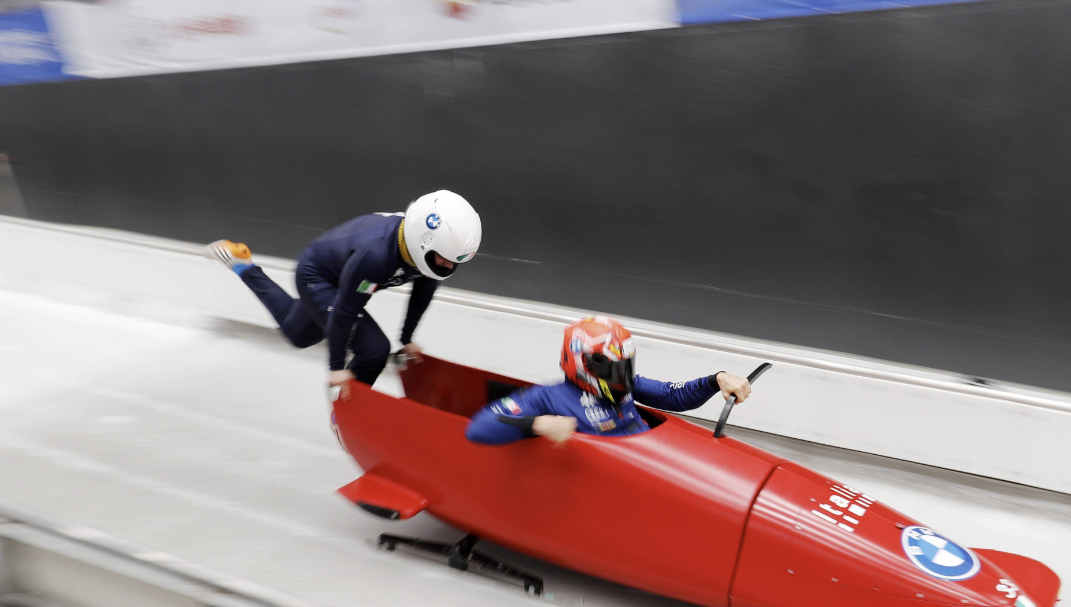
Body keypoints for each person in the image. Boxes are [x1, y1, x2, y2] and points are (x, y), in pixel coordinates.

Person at [204, 190, 481, 393]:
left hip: (344, 273)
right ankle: (348, 410)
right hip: (317, 276)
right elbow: (346, 309)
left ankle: (243, 264)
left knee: (297, 333)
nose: (449, 266)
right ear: (424, 240)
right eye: (445, 258)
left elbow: (424, 288)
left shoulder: (428, 255)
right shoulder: (375, 256)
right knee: (374, 349)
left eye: (456, 261)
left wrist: (407, 338)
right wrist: (336, 368)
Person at [465, 316, 752, 446]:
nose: (622, 376)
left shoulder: (627, 385)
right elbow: (478, 428)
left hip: (654, 458)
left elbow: (672, 396)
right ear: (583, 365)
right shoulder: (548, 398)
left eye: (624, 366)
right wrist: (539, 424)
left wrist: (716, 379)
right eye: (615, 368)